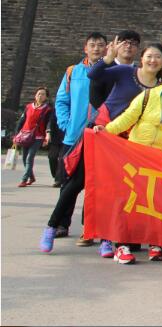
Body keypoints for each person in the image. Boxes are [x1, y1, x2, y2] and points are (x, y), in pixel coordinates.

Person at [94, 61, 162, 264]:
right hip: (133, 155)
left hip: (158, 160)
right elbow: (128, 118)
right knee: (127, 200)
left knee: (153, 202)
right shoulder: (150, 95)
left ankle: (154, 242)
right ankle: (121, 245)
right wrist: (107, 131)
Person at [85, 38, 162, 252]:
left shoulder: (161, 88)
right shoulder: (125, 72)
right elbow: (93, 76)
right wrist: (107, 59)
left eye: (158, 57)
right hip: (109, 133)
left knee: (130, 191)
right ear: (142, 58)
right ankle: (105, 237)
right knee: (104, 186)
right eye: (149, 56)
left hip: (134, 144)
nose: (153, 60)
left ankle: (126, 237)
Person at [41, 32, 106, 247]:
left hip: (98, 136)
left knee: (93, 183)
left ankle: (89, 227)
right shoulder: (73, 72)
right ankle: (62, 223)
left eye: (100, 45)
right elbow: (62, 100)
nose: (96, 48)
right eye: (92, 45)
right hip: (73, 136)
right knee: (68, 181)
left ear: (106, 49)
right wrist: (66, 124)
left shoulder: (109, 72)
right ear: (85, 48)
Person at [88, 30, 141, 112]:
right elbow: (94, 97)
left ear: (138, 48)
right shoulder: (104, 68)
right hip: (106, 116)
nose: (128, 46)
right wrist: (107, 113)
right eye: (124, 43)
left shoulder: (139, 72)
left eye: (133, 43)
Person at [16, 87, 51, 187]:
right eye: (39, 93)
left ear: (46, 97)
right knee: (24, 158)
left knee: (29, 157)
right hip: (25, 136)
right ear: (35, 95)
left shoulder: (48, 109)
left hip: (38, 137)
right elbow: (22, 121)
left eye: (43, 94)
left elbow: (49, 123)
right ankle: (31, 177)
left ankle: (24, 179)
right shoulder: (28, 107)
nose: (40, 96)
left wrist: (48, 134)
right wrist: (17, 133)